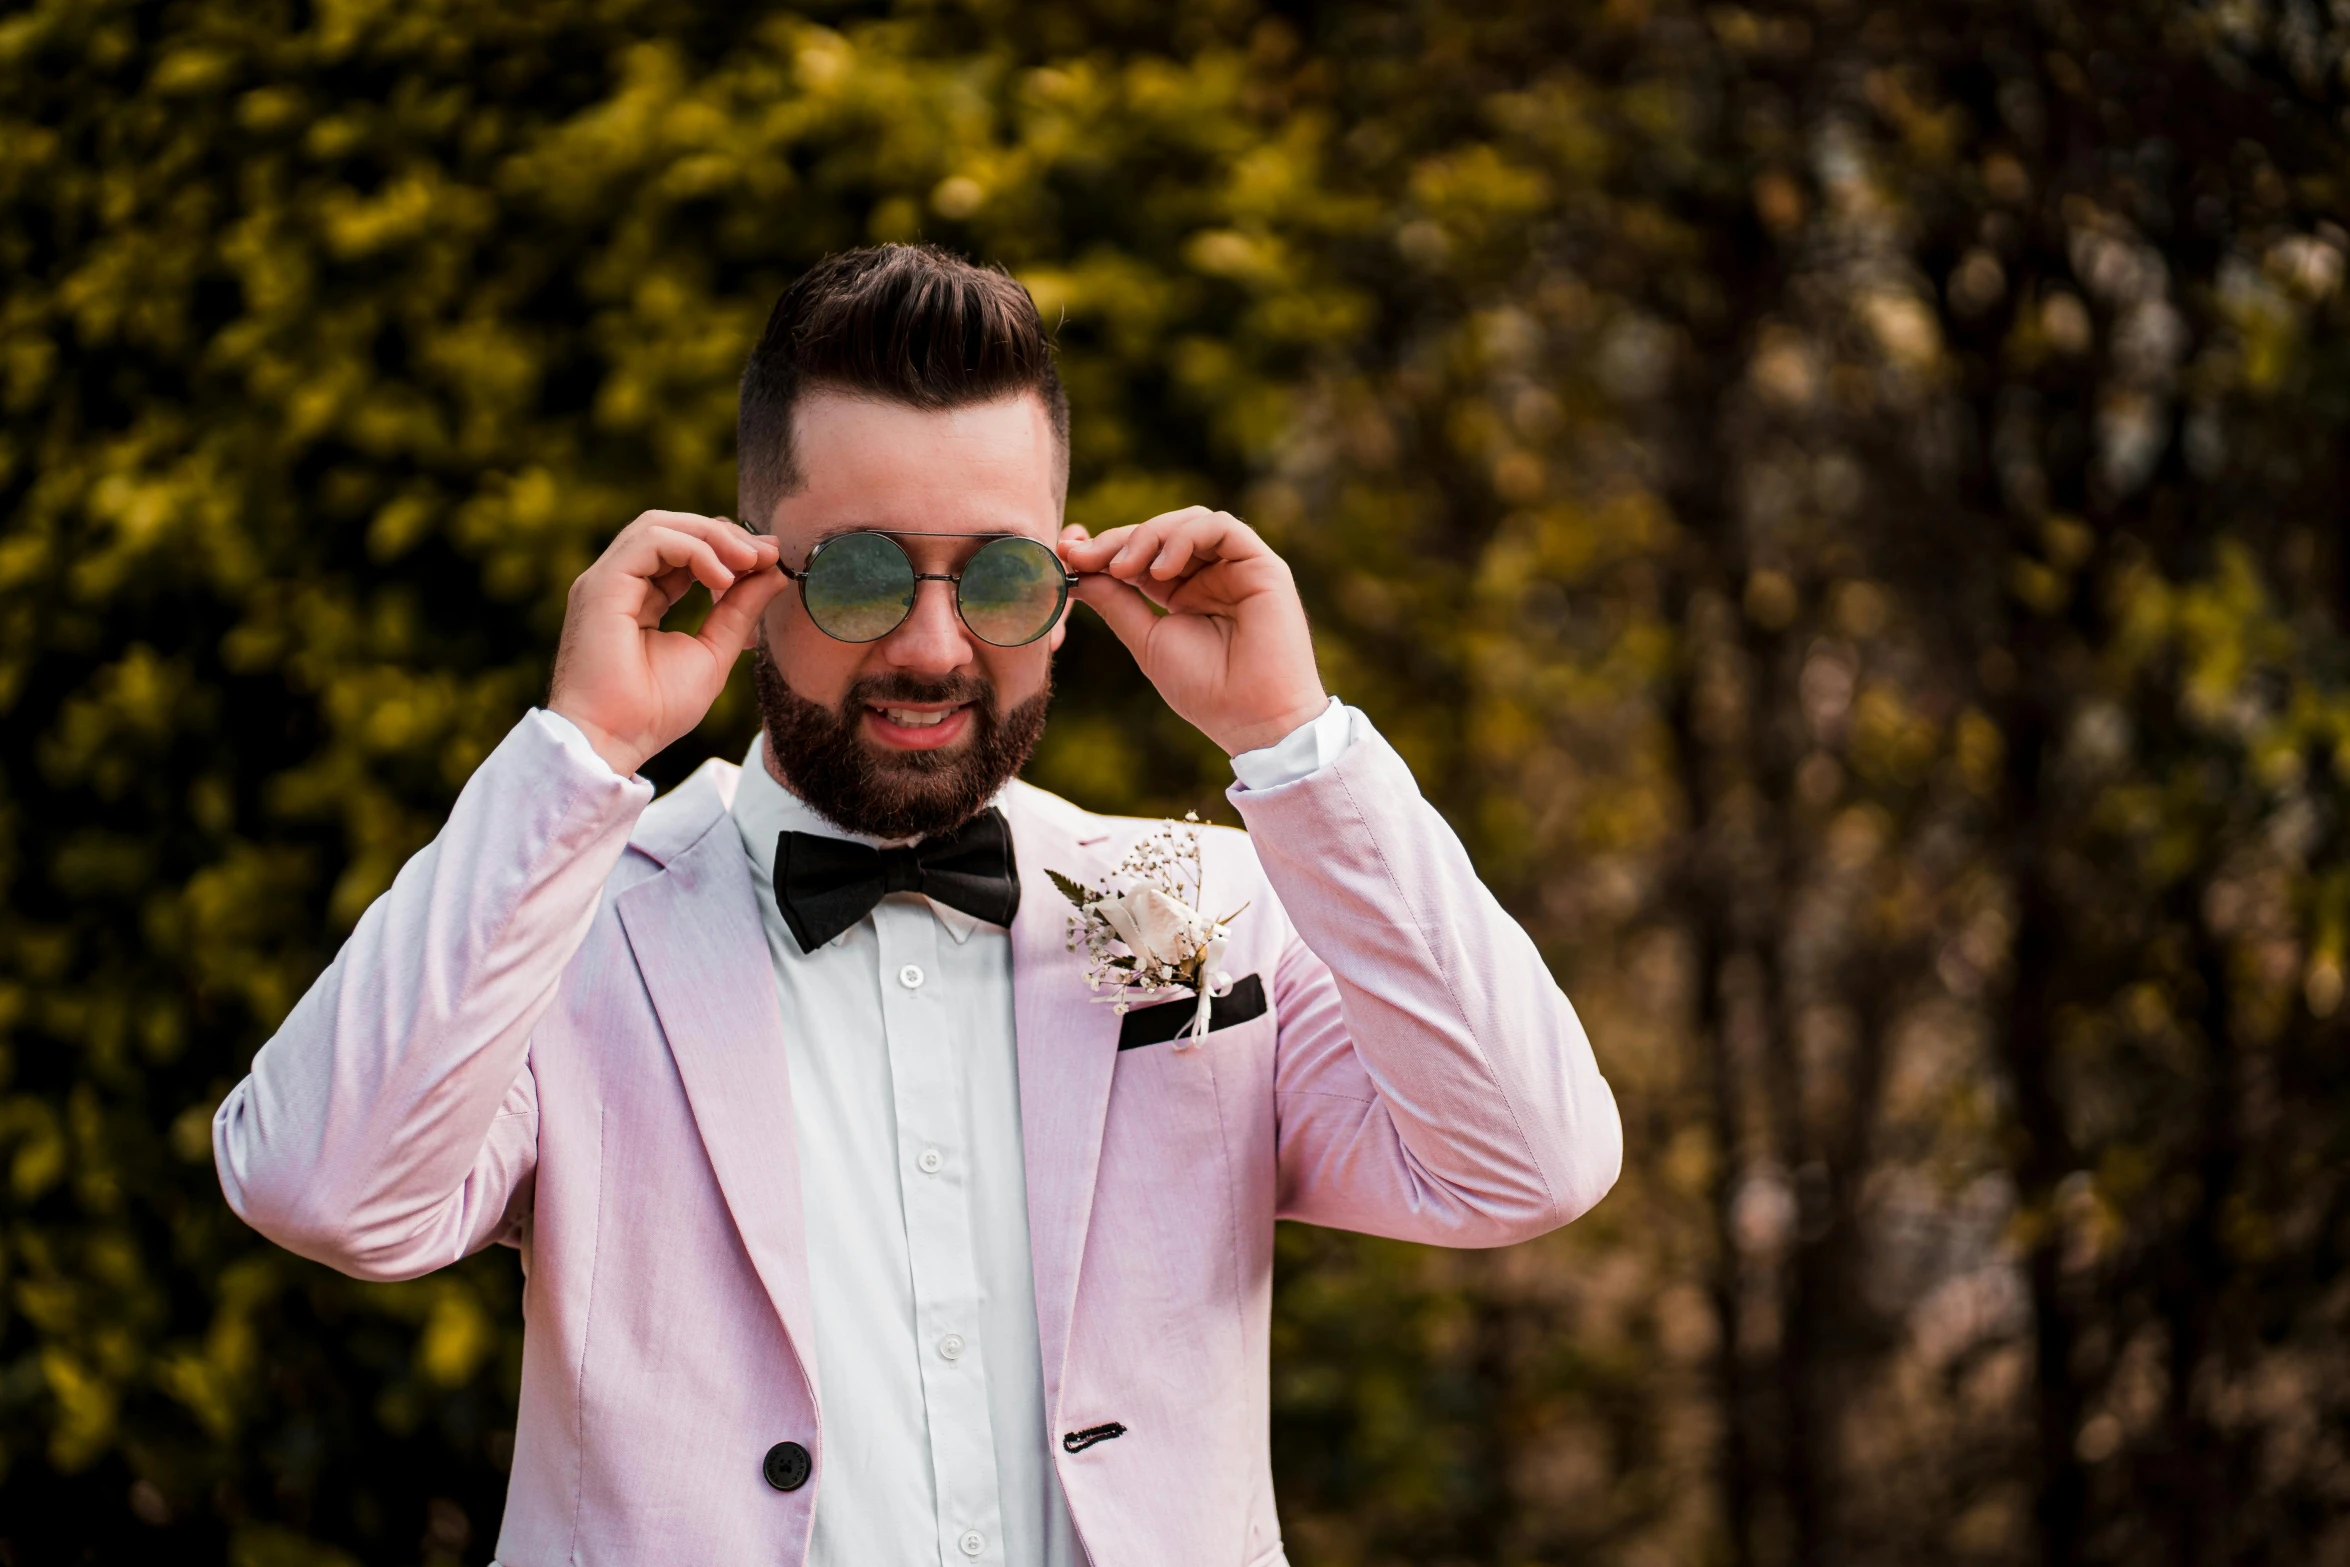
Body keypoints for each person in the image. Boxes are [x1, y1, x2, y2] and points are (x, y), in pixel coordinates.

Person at [213, 244, 1621, 1567]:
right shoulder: (568, 920)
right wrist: (579, 754)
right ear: (752, 575)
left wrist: (1294, 744)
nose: (934, 647)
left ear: (1067, 592)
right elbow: (325, 1188)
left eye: (1000, 575)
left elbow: (1526, 1162)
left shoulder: (1187, 907)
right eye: (865, 572)